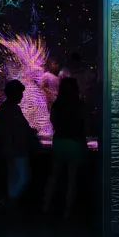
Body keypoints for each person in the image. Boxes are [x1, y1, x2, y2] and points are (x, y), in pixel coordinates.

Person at [44, 77, 87, 219]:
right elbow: (85, 123)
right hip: (75, 142)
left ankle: (46, 207)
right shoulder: (80, 105)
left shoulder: (57, 105)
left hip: (60, 141)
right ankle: (67, 213)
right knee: (72, 179)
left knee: (53, 176)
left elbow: (53, 122)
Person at [0, 80, 35, 204]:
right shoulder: (8, 109)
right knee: (22, 177)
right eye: (20, 93)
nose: (22, 96)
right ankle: (10, 201)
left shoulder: (11, 108)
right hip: (15, 149)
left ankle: (10, 202)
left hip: (14, 149)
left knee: (13, 178)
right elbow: (5, 130)